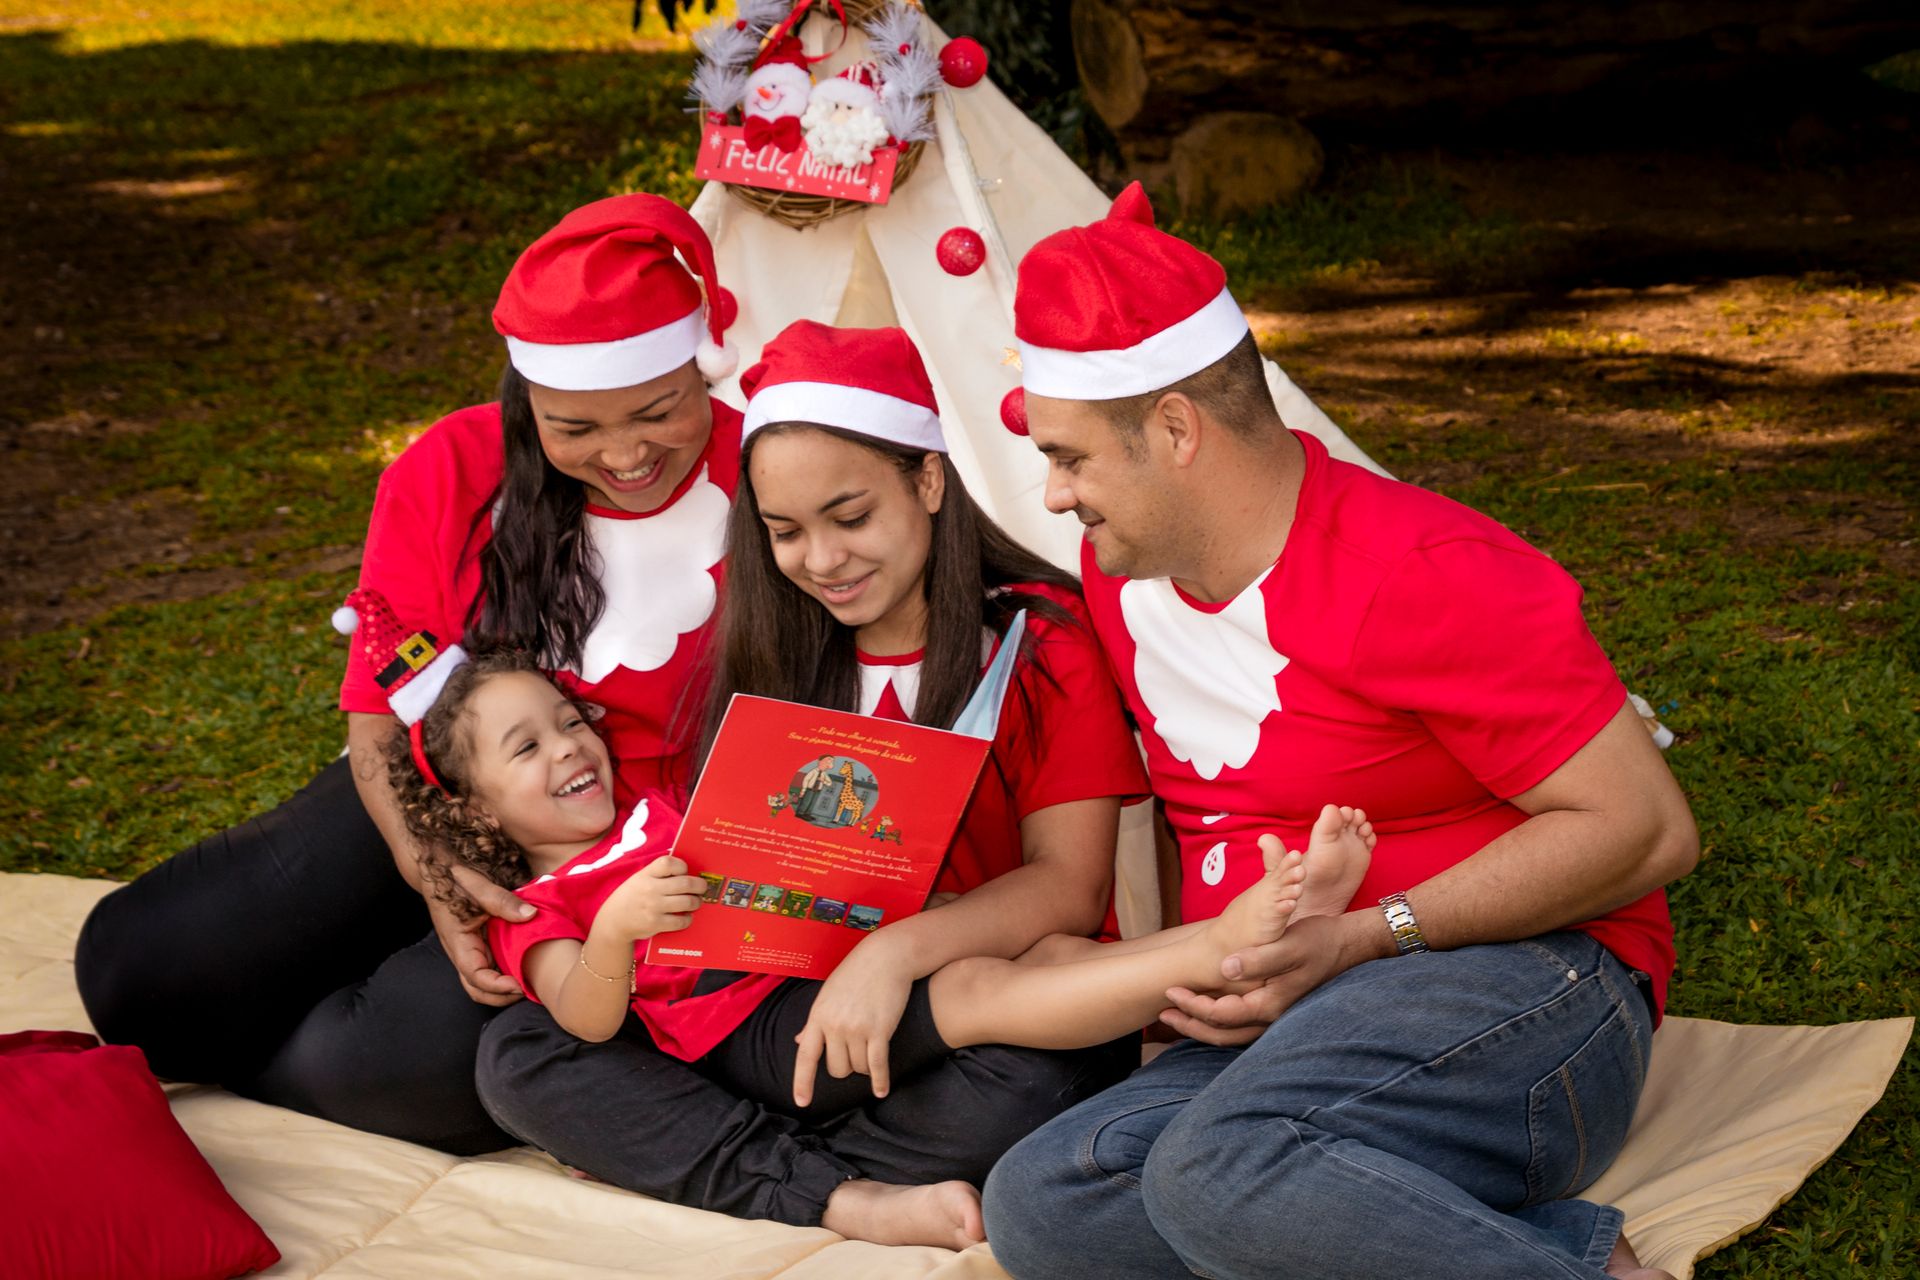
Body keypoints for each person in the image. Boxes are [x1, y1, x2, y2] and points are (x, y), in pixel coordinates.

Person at [980, 185, 1699, 1280]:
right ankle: (1534, 1248)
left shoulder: (1419, 570)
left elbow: (1646, 830)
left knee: (1216, 1171)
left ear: (1175, 427)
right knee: (1046, 1199)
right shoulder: (1119, 575)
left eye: (1071, 457)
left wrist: (1365, 934)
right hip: (1297, 1022)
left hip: (1532, 987)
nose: (1056, 491)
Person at [72, 194, 747, 1153]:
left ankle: (272, 1075)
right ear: (529, 402)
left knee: (400, 1080)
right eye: (576, 428)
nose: (627, 453)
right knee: (138, 974)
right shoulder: (448, 469)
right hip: (435, 796)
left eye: (659, 410)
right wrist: (429, 870)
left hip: (598, 864)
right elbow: (379, 720)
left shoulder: (766, 474)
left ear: (701, 367)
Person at [476, 321, 1154, 1248]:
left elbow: (1069, 890)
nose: (822, 561)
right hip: (782, 1015)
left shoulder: (1041, 644)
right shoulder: (780, 645)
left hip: (963, 1005)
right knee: (521, 1052)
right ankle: (827, 1182)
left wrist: (891, 955)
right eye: (785, 532)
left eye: (851, 517)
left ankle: (713, 1156)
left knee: (1036, 1077)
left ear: (927, 481)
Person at [391, 645, 1372, 1247]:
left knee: (1034, 965)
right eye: (527, 746)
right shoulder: (548, 905)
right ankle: (1219, 949)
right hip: (767, 1035)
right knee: (988, 986)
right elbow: (585, 1014)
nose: (568, 745)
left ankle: (1229, 941)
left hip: (814, 977)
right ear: (476, 808)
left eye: (569, 720)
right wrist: (614, 929)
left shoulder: (658, 810)